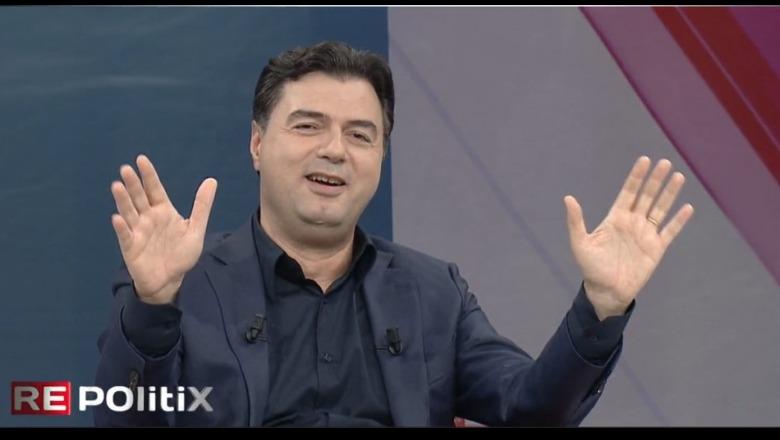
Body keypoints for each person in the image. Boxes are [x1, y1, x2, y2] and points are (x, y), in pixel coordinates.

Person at [95, 41, 694, 427]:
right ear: (257, 143)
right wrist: (154, 307)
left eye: (360, 135)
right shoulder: (182, 282)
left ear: (381, 156)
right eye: (308, 126)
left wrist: (601, 307)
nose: (335, 150)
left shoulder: (433, 293)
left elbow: (530, 409)